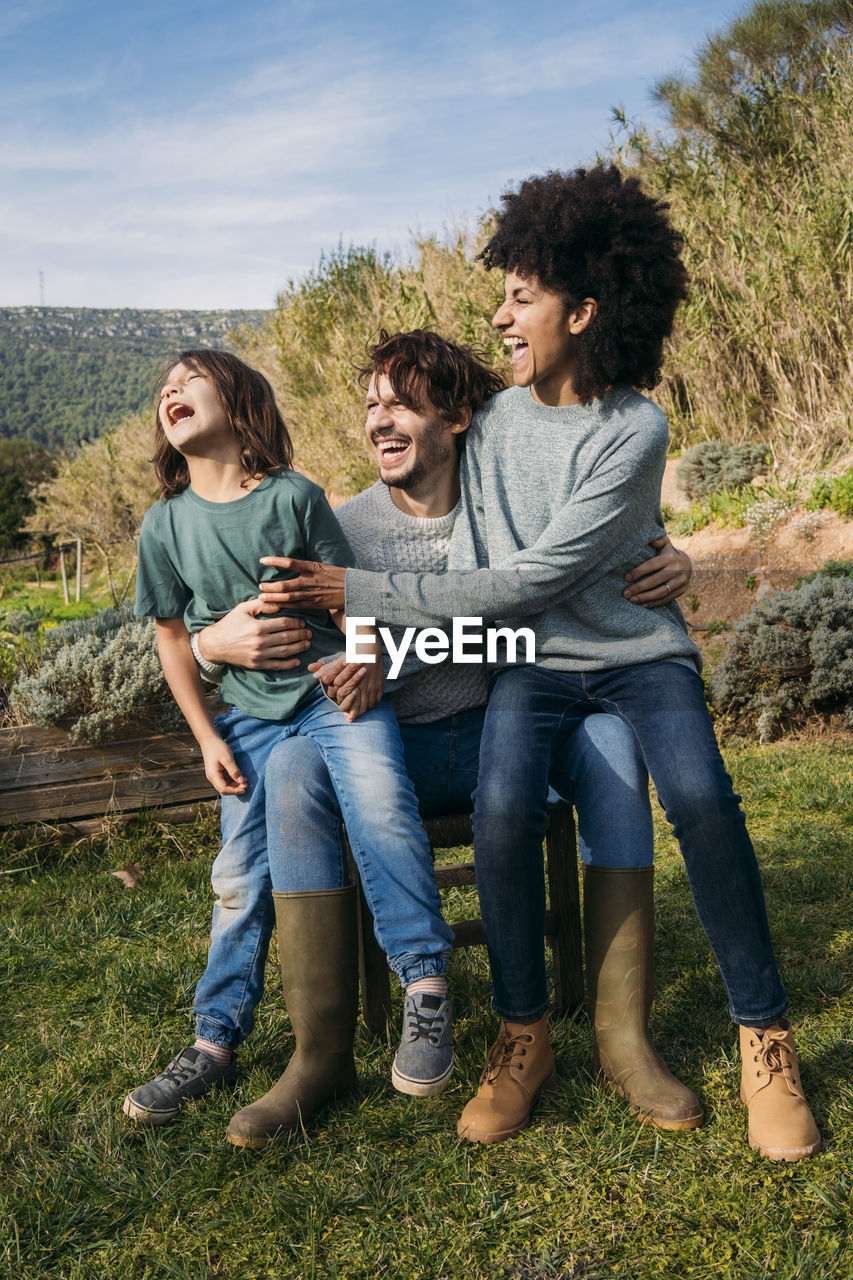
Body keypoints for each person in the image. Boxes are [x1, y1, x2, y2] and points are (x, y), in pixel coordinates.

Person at [266, 168, 821, 1162]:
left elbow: (531, 573)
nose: (502, 314)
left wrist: (363, 599)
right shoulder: (493, 421)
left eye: (520, 297)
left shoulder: (635, 427)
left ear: (586, 308)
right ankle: (521, 1035)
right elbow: (438, 506)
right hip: (530, 660)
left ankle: (763, 1037)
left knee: (699, 794)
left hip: (637, 653)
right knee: (503, 798)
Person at [197, 328, 701, 1147]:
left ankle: (623, 1039)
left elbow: (574, 576)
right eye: (370, 405)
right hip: (401, 751)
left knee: (612, 744)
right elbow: (295, 640)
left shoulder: (508, 502)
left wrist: (676, 559)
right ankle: (317, 1054)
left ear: (459, 416)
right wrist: (209, 644)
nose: (378, 421)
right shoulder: (343, 526)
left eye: (400, 403)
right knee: (292, 764)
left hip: (522, 730)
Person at [124, 348, 456, 1148]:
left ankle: (425, 983)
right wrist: (205, 736)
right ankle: (214, 1037)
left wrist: (365, 660)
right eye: (163, 389)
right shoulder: (163, 524)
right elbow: (174, 640)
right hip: (242, 722)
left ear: (239, 404)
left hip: (330, 697)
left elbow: (355, 600)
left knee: (381, 801)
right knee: (236, 873)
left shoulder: (295, 497)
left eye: (187, 382)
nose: (170, 393)